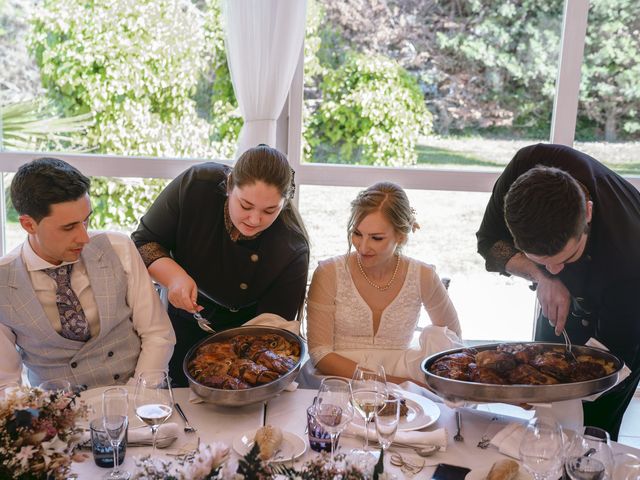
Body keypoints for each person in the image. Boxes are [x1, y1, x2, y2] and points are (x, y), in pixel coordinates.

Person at [476, 143, 640, 440]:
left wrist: (568, 391)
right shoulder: (526, 168)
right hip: (568, 302)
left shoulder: (630, 258)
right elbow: (489, 242)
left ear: (588, 213)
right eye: (543, 261)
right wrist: (541, 277)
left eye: (565, 259)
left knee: (592, 434)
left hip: (626, 320)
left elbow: (611, 363)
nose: (554, 269)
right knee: (547, 424)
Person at [131, 145, 310, 386]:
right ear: (228, 186)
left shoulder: (292, 248)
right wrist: (174, 278)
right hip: (181, 323)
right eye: (245, 205)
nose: (254, 219)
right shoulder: (196, 186)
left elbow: (272, 333)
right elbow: (144, 242)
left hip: (249, 338)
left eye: (270, 211)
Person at [0, 158, 175, 390]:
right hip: (57, 414)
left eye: (86, 220)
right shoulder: (3, 282)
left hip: (137, 397)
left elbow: (157, 334)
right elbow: (6, 382)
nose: (84, 237)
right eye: (69, 227)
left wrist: (138, 397)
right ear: (28, 225)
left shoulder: (118, 247)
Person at [306, 182, 461, 386]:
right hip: (337, 379)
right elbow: (320, 353)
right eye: (357, 234)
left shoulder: (423, 275)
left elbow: (453, 342)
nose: (362, 247)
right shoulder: (329, 273)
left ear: (401, 236)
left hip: (406, 381)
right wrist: (392, 383)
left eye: (376, 238)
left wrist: (413, 385)